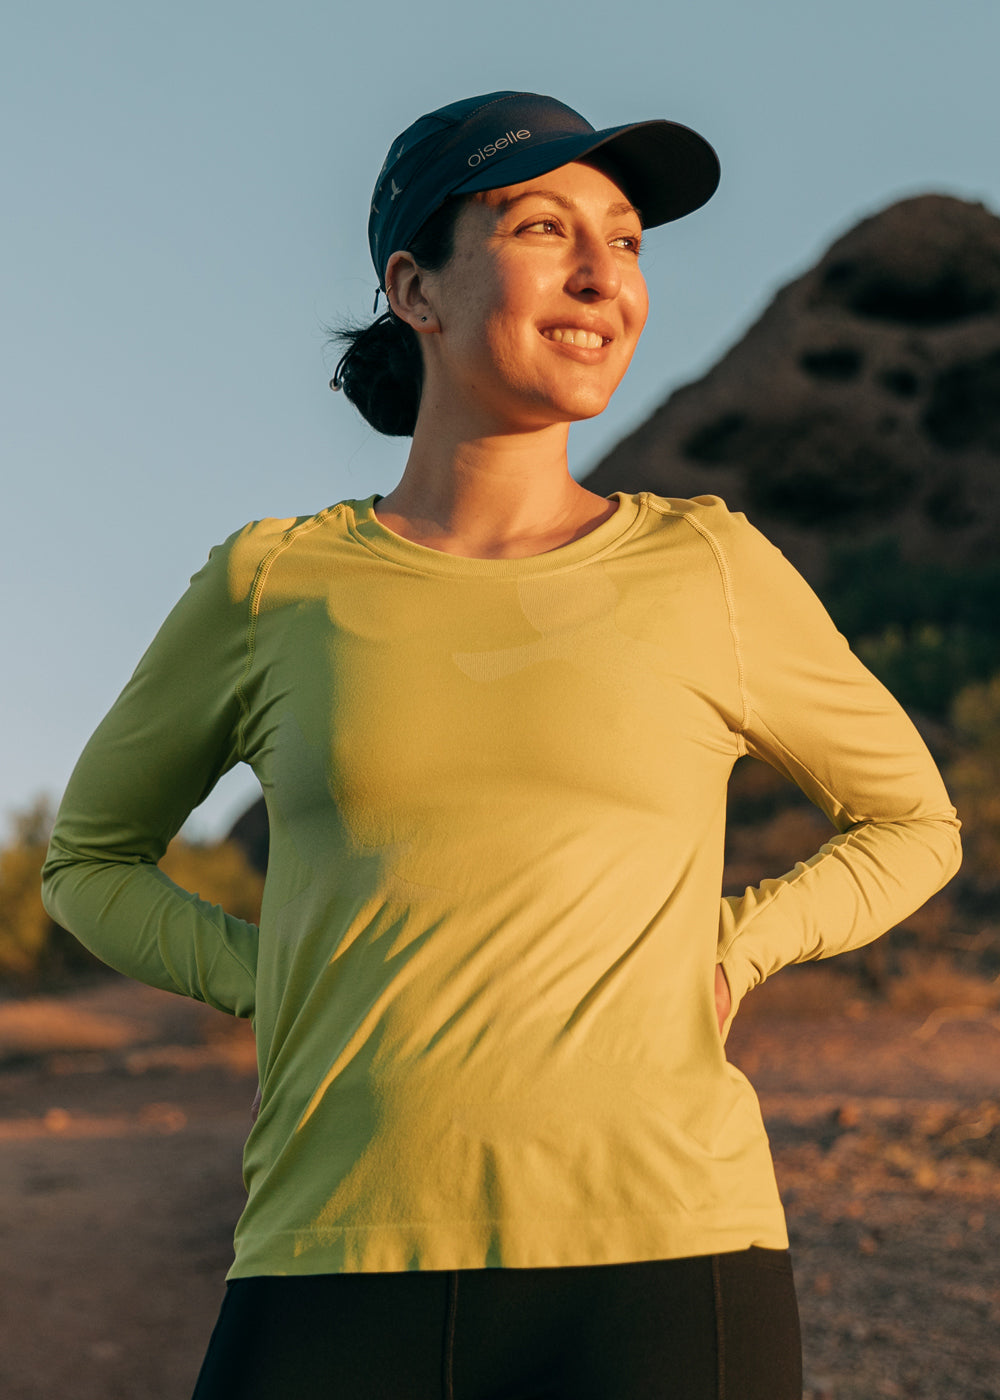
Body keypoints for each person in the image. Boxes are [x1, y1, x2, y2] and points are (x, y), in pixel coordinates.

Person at [42, 91, 961, 1399]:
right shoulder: (274, 584)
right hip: (331, 1254)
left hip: (670, 1257)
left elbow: (914, 823)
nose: (605, 275)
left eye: (630, 242)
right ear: (414, 286)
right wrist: (271, 975)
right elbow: (89, 862)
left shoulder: (708, 567)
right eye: (544, 226)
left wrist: (740, 942)